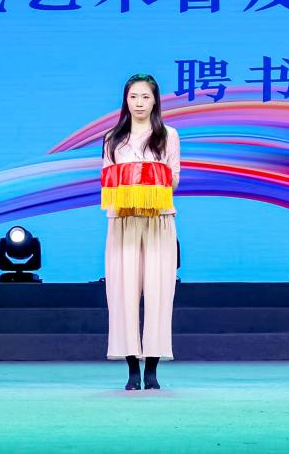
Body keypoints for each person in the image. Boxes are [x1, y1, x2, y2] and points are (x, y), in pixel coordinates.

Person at [101, 73, 180, 390]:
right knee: (124, 292)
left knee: (159, 292)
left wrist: (151, 178)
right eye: (133, 96)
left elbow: (175, 178)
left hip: (159, 219)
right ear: (126, 100)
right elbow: (106, 178)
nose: (139, 103)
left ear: (155, 100)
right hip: (123, 221)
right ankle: (132, 369)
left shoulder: (168, 135)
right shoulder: (113, 138)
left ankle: (153, 369)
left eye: (145, 97)